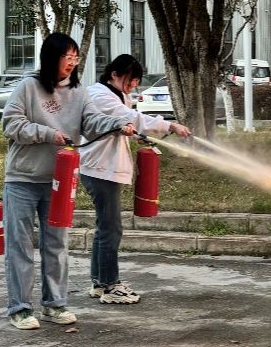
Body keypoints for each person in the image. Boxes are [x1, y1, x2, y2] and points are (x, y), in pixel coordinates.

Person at [1, 33, 134, 330]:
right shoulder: (28, 87)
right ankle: (20, 308)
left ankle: (54, 304)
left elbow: (92, 121)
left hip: (59, 181)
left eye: (75, 58)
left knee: (57, 244)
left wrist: (116, 125)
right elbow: (10, 124)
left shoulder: (78, 92)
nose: (72, 63)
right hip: (22, 179)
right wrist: (48, 134)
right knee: (20, 246)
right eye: (67, 57)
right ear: (52, 57)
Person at [80, 54, 191, 304]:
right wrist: (170, 126)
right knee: (111, 228)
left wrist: (137, 135)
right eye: (130, 80)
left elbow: (124, 126)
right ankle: (110, 286)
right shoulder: (100, 96)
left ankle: (99, 282)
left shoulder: (117, 95)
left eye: (136, 81)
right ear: (114, 75)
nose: (133, 85)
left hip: (103, 168)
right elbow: (130, 118)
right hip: (99, 169)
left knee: (105, 227)